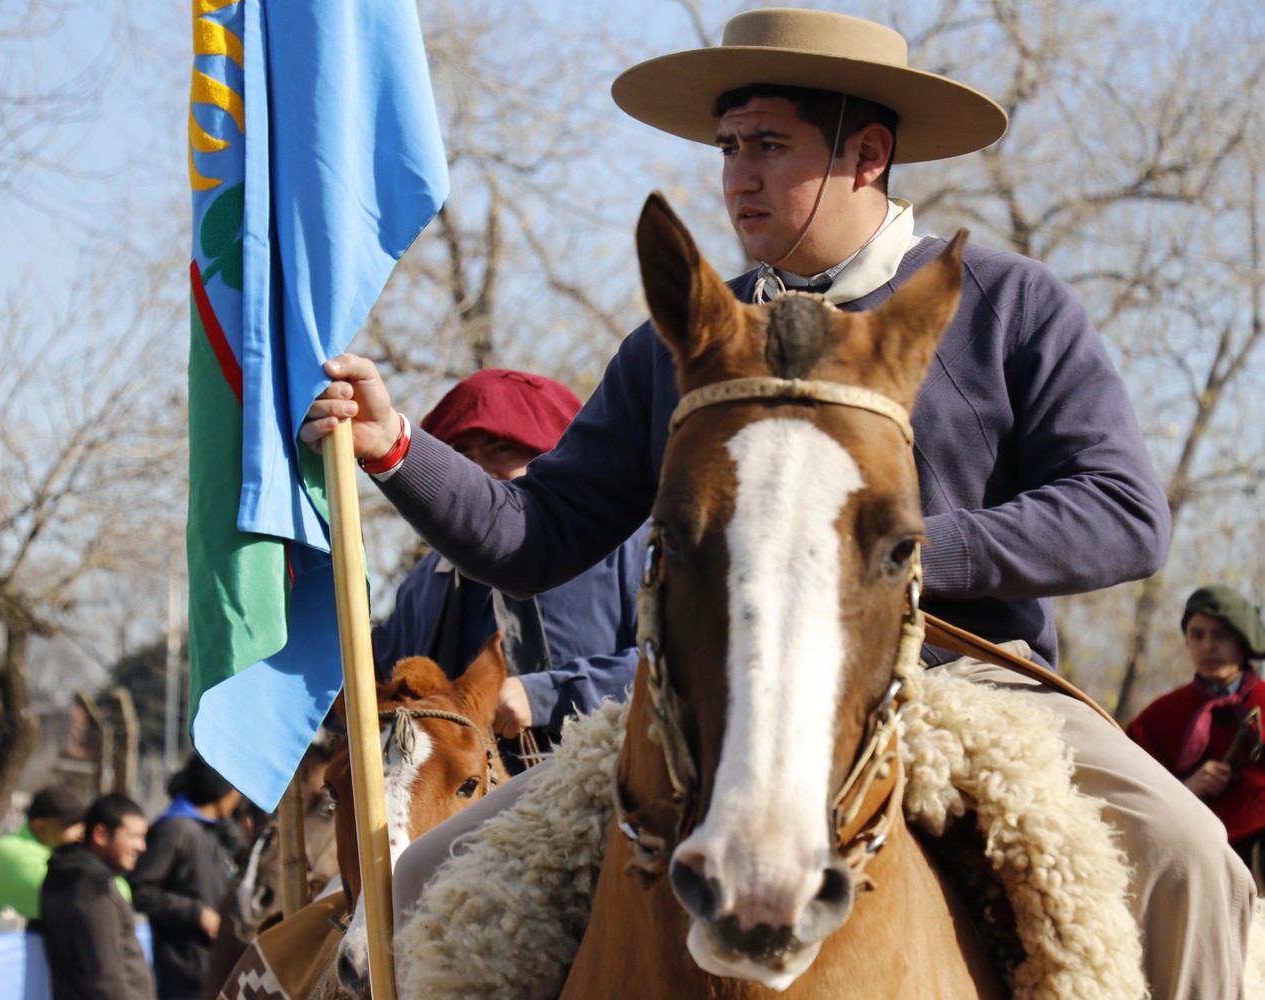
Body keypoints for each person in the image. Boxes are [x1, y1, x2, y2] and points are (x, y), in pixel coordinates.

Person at [301, 8, 1253, 997]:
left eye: (767, 145)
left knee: (1192, 860)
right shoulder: (689, 339)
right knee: (414, 887)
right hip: (708, 702)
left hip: (969, 686)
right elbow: (535, 535)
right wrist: (397, 446)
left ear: (868, 154)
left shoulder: (1010, 304)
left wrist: (890, 558)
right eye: (727, 148)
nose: (737, 175)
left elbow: (1124, 512)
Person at [371, 368, 646, 771]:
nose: (479, 471)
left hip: (611, 799)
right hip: (463, 821)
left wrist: (546, 696)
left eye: (502, 449)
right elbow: (368, 693)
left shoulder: (629, 545)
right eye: (460, 455)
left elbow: (685, 666)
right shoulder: (424, 584)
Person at [1128, 585, 1265, 889]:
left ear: (1243, 641)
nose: (1207, 647)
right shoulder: (1158, 718)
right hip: (1190, 866)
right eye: (1197, 635)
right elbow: (1131, 795)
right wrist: (1185, 789)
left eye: (1220, 635)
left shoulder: (1263, 702)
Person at [129, 752, 242, 1000]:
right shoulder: (175, 829)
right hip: (184, 969)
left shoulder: (212, 830)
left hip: (213, 963)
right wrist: (197, 913)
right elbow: (140, 891)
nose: (238, 796)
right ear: (219, 791)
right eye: (234, 788)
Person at [38, 793, 154, 1000]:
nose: (141, 847)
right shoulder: (92, 887)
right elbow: (106, 978)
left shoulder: (75, 875)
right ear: (101, 834)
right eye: (133, 836)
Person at [0, 783, 86, 918]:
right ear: (40, 827)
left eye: (82, 823)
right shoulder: (15, 854)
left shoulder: (25, 848)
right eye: (71, 825)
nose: (81, 832)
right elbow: (80, 901)